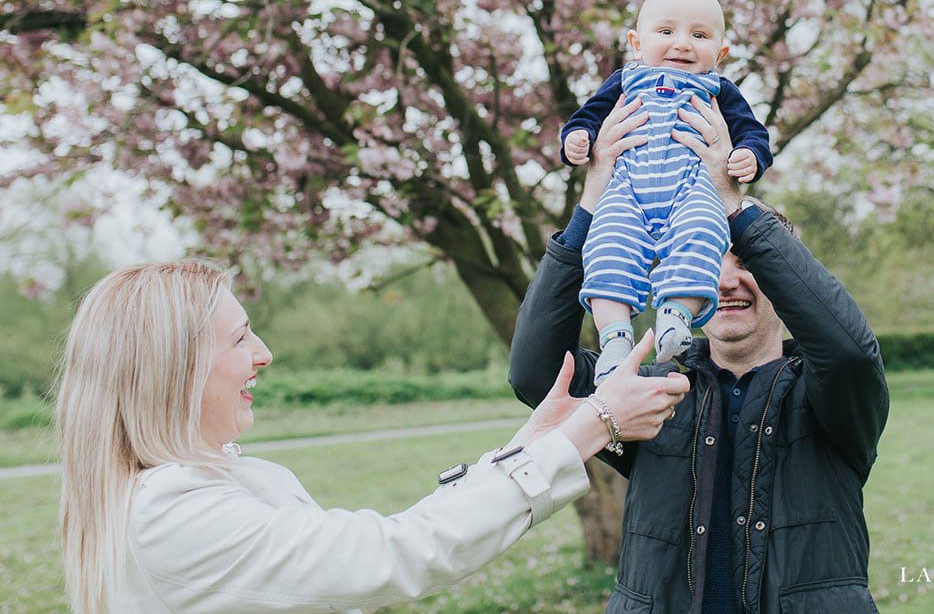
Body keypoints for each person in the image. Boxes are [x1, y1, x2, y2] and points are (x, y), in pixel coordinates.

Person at [55, 261, 689, 613]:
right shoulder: (172, 513)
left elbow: (388, 535)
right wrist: (592, 425)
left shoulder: (183, 490)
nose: (264, 353)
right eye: (240, 337)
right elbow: (397, 552)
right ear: (176, 369)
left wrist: (534, 440)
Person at [511, 98, 890, 613]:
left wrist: (734, 208)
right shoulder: (648, 396)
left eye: (746, 263)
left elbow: (851, 353)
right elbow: (538, 375)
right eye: (710, 258)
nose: (727, 280)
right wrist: (592, 206)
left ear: (779, 276)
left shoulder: (831, 395)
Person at [560, 0, 772, 382]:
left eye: (699, 35)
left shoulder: (719, 90)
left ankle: (676, 316)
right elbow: (587, 116)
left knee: (703, 235)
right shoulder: (623, 82)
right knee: (606, 247)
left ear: (720, 54)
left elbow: (752, 133)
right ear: (636, 44)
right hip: (627, 189)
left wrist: (750, 157)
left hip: (692, 187)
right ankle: (615, 337)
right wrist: (577, 139)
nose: (682, 44)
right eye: (666, 31)